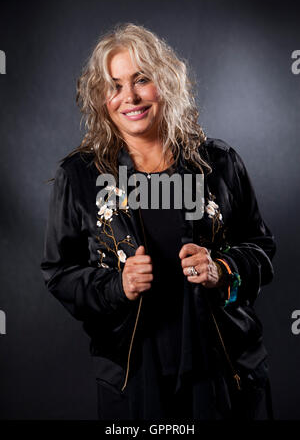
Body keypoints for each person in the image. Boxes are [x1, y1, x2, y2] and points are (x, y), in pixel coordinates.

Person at [40, 23, 276, 420]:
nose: (128, 96)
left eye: (141, 80)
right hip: (133, 378)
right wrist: (119, 285)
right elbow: (59, 272)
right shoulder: (79, 175)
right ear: (102, 98)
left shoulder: (218, 163)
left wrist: (222, 268)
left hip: (226, 371)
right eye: (114, 85)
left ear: (165, 83)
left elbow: (262, 248)